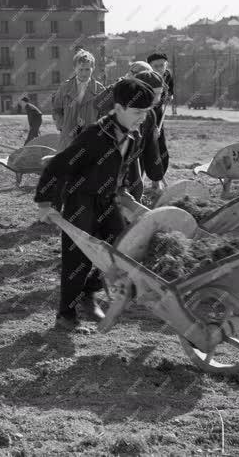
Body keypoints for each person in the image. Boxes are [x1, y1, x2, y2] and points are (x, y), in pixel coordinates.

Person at [35, 78, 162, 330]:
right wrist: (45, 203)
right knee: (78, 258)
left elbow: (121, 168)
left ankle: (88, 294)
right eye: (137, 112)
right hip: (80, 201)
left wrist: (123, 192)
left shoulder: (133, 135)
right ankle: (66, 315)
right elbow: (58, 166)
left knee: (121, 248)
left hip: (107, 200)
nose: (142, 118)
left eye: (146, 113)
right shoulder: (95, 135)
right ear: (119, 108)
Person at [52, 49, 106, 151]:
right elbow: (56, 109)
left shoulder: (100, 89)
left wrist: (98, 132)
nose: (84, 73)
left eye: (87, 69)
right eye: (80, 69)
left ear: (93, 68)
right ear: (74, 68)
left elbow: (104, 114)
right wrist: (61, 125)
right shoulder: (64, 87)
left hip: (90, 139)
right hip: (68, 139)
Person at [135, 69, 170, 190]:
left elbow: (151, 151)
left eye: (159, 94)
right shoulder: (123, 111)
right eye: (153, 94)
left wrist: (156, 176)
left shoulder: (150, 115)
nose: (157, 99)